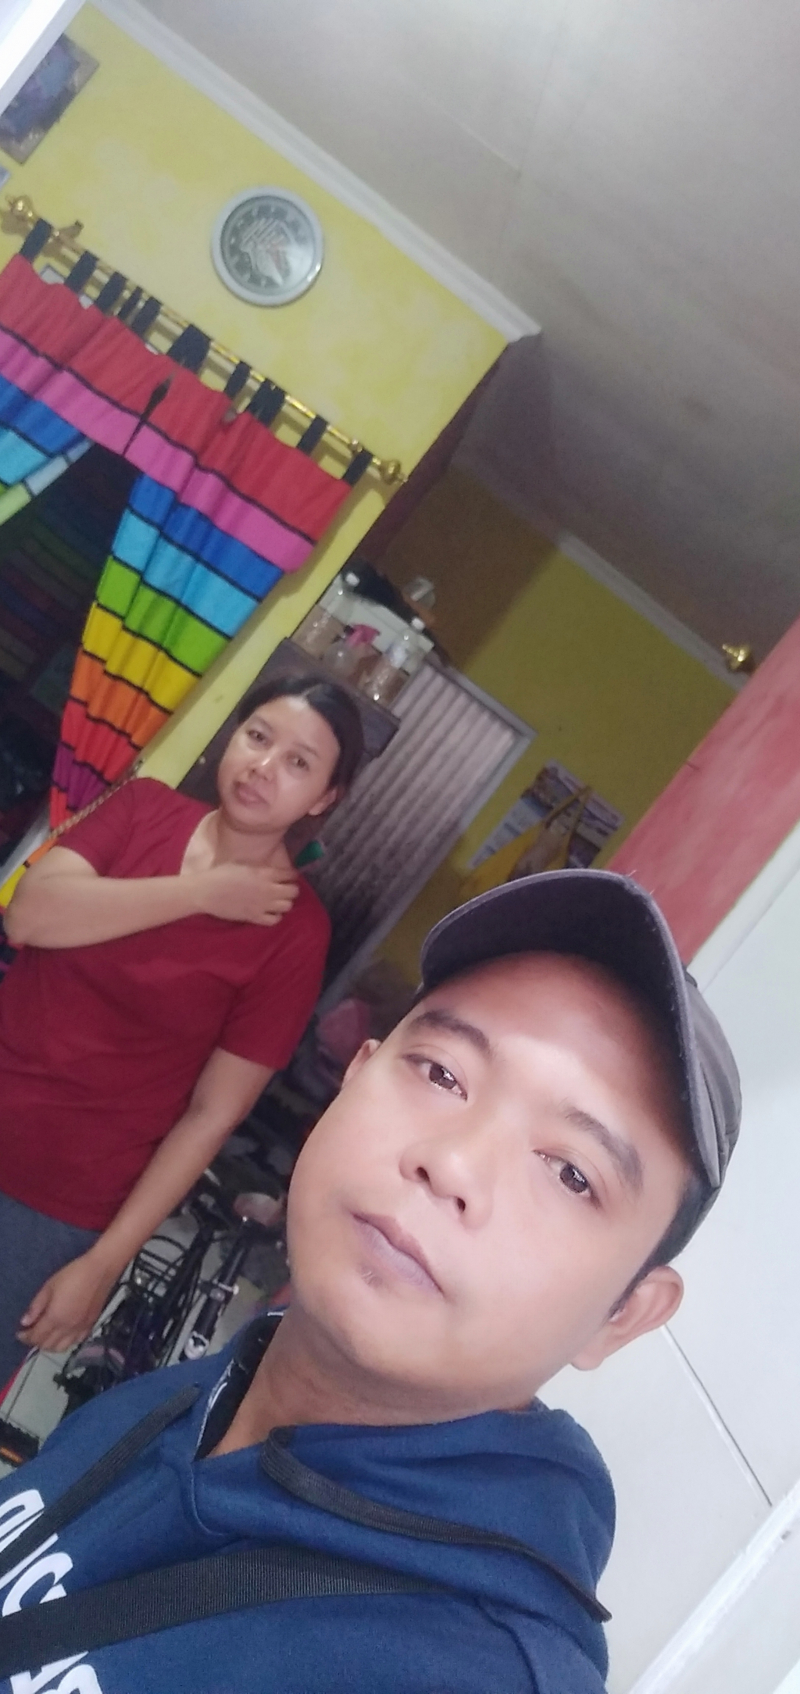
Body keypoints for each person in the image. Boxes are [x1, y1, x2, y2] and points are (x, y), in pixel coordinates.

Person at [0, 870, 740, 1694]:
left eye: (571, 1174)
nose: (451, 1161)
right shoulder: (180, 1400)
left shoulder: (468, 1674)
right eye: (443, 1074)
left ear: (623, 1315)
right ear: (356, 1073)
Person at [0, 675, 364, 1388]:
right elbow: (29, 916)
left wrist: (104, 1263)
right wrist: (202, 893)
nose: (264, 766)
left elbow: (209, 1117)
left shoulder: (294, 934)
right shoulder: (143, 809)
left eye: (298, 762)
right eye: (258, 737)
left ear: (324, 798)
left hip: (58, 1199)